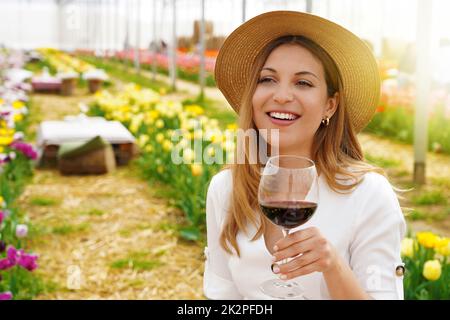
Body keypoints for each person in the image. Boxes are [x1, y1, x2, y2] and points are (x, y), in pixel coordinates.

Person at [203, 11, 406, 300]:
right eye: (268, 79)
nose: (282, 95)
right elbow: (222, 296)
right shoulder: (225, 189)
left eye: (303, 83)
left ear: (330, 106)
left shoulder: (369, 194)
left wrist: (333, 266)